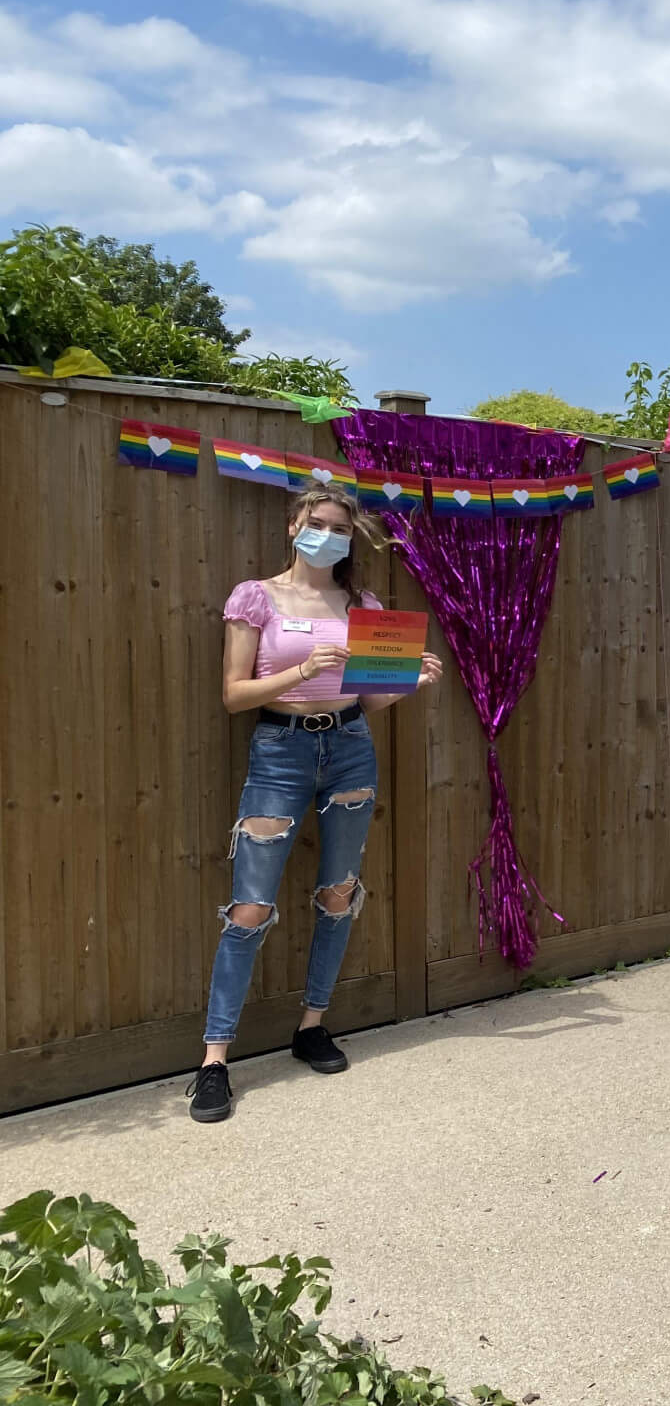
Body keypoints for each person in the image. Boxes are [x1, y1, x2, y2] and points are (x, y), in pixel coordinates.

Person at [190, 481, 444, 1123]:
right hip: (280, 747)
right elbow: (234, 695)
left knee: (339, 892)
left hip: (351, 746)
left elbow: (371, 699)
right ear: (293, 525)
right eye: (317, 522)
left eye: (338, 527)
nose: (326, 534)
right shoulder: (256, 597)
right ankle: (214, 1060)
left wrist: (409, 683)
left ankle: (312, 1025)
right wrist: (303, 671)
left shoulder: (363, 603)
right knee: (249, 906)